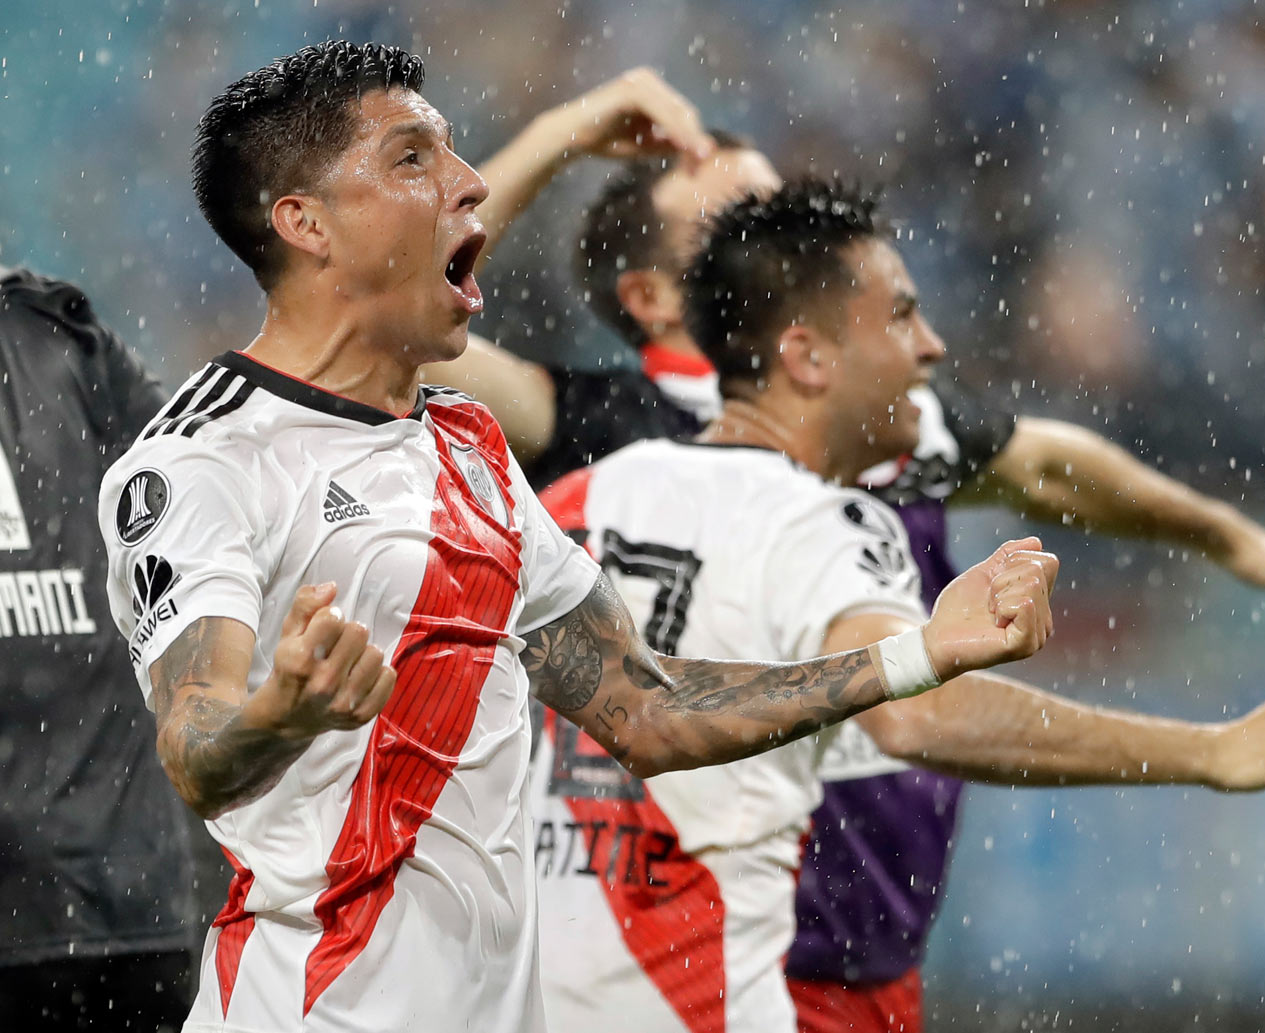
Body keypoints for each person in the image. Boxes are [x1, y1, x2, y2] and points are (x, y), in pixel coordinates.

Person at [95, 42, 1061, 1033]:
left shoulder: (466, 443)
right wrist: (277, 716)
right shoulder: (200, 462)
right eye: (413, 159)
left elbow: (649, 709)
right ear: (305, 223)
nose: (470, 183)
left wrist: (917, 653)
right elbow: (195, 738)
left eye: (453, 153)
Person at [447, 129, 1265, 1029]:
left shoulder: (570, 496)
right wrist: (1212, 750)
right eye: (900, 316)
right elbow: (918, 715)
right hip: (745, 976)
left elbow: (1047, 464)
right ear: (801, 353)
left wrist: (1230, 537)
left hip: (570, 979)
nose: (932, 346)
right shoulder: (775, 496)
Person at [0, 266, 196, 1030]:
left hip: (123, 913)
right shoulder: (59, 341)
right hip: (121, 902)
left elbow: (198, 493)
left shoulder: (64, 341)